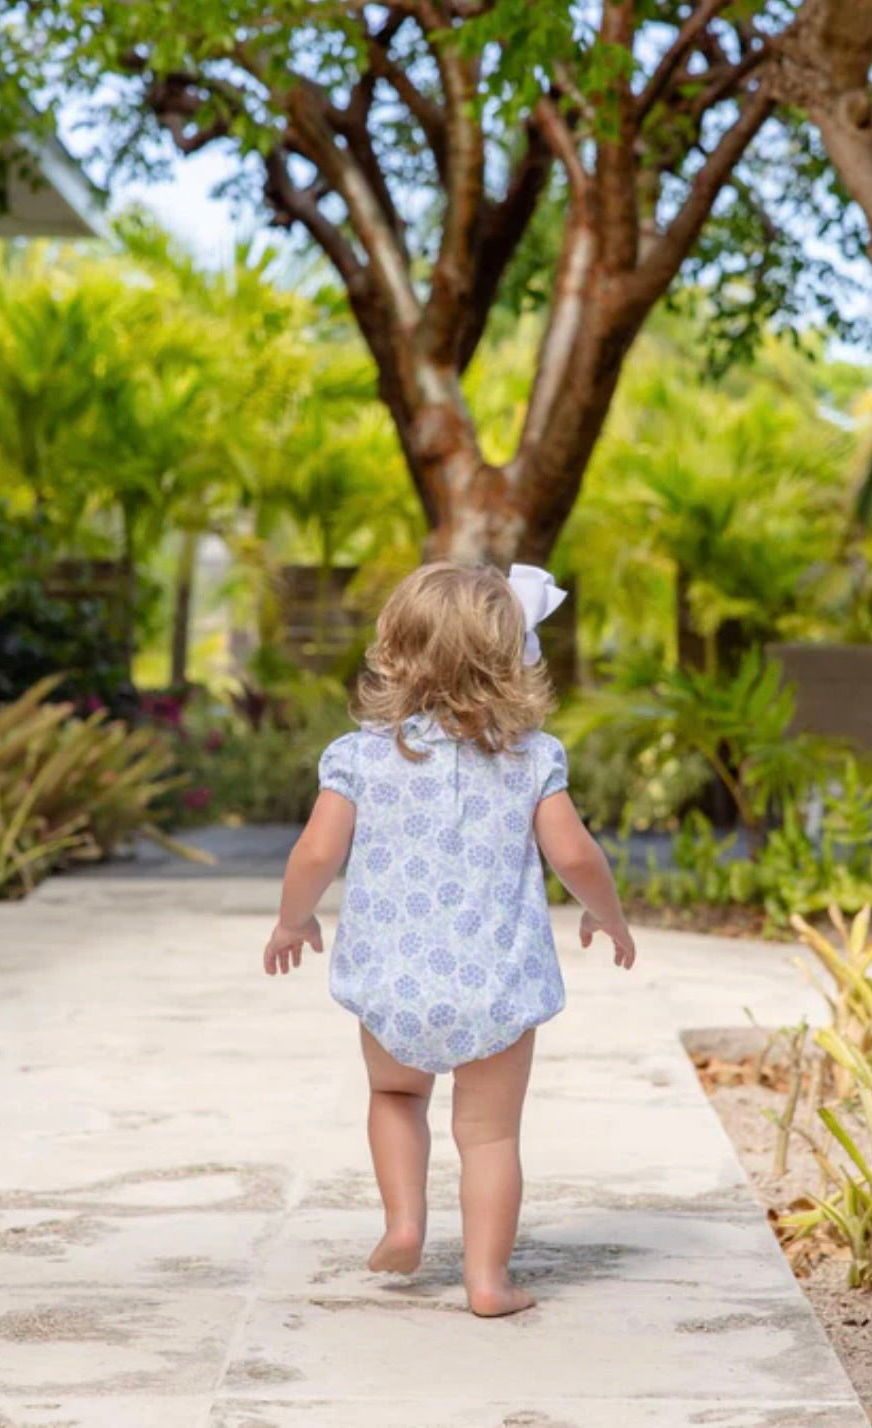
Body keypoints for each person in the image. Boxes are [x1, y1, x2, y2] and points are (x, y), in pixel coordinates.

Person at [262, 561, 636, 1317]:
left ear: (391, 651)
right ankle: (488, 1282)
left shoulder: (359, 756)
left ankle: (403, 1225)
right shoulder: (533, 758)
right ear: (511, 659)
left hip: (394, 982)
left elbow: (314, 853)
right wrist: (607, 913)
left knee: (395, 1096)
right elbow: (572, 855)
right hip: (494, 985)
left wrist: (294, 918)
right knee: (489, 1136)